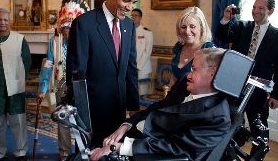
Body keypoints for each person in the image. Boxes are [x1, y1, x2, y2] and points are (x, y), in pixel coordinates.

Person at [89, 48, 231, 160]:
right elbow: (157, 107)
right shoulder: (184, 83)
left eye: (194, 69)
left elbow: (176, 148)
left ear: (212, 73)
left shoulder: (218, 117)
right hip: (132, 135)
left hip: (145, 152)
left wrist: (119, 148)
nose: (188, 75)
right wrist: (126, 125)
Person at [66, 0, 140, 146]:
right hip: (93, 110)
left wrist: (133, 105)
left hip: (119, 107)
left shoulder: (129, 25)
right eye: (126, 1)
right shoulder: (84, 24)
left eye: (133, 2)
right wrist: (82, 116)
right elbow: (77, 73)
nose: (130, 7)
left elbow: (130, 68)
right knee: (90, 154)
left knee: (113, 152)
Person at [215, 0, 278, 137]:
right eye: (254, 7)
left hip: (260, 89)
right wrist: (226, 18)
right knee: (232, 124)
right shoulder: (241, 26)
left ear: (271, 11)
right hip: (235, 85)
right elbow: (222, 36)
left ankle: (258, 155)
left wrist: (276, 95)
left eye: (261, 8)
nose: (255, 11)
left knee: (259, 128)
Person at [36, 0, 88, 161]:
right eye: (65, 27)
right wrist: (42, 88)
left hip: (81, 86)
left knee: (82, 121)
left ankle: (82, 151)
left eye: (71, 27)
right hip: (61, 86)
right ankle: (64, 153)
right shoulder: (54, 42)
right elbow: (48, 65)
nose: (68, 31)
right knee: (63, 120)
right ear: (60, 27)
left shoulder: (85, 41)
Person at [0, 8, 31, 161]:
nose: (2, 22)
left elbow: (27, 63)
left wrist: (18, 79)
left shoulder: (20, 39)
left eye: (5, 19)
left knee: (18, 121)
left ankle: (21, 151)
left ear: (10, 21)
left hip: (15, 88)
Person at [168, 6, 214, 88]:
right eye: (183, 27)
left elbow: (210, 85)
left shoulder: (208, 50)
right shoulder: (178, 47)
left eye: (192, 26)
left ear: (202, 28)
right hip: (176, 98)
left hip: (196, 99)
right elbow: (174, 78)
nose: (187, 31)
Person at [130, 8, 153, 94]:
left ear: (140, 17)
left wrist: (138, 66)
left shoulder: (147, 32)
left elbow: (147, 51)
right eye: (132, 15)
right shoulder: (128, 31)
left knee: (142, 93)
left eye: (136, 16)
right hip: (130, 66)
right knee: (132, 92)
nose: (133, 17)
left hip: (142, 68)